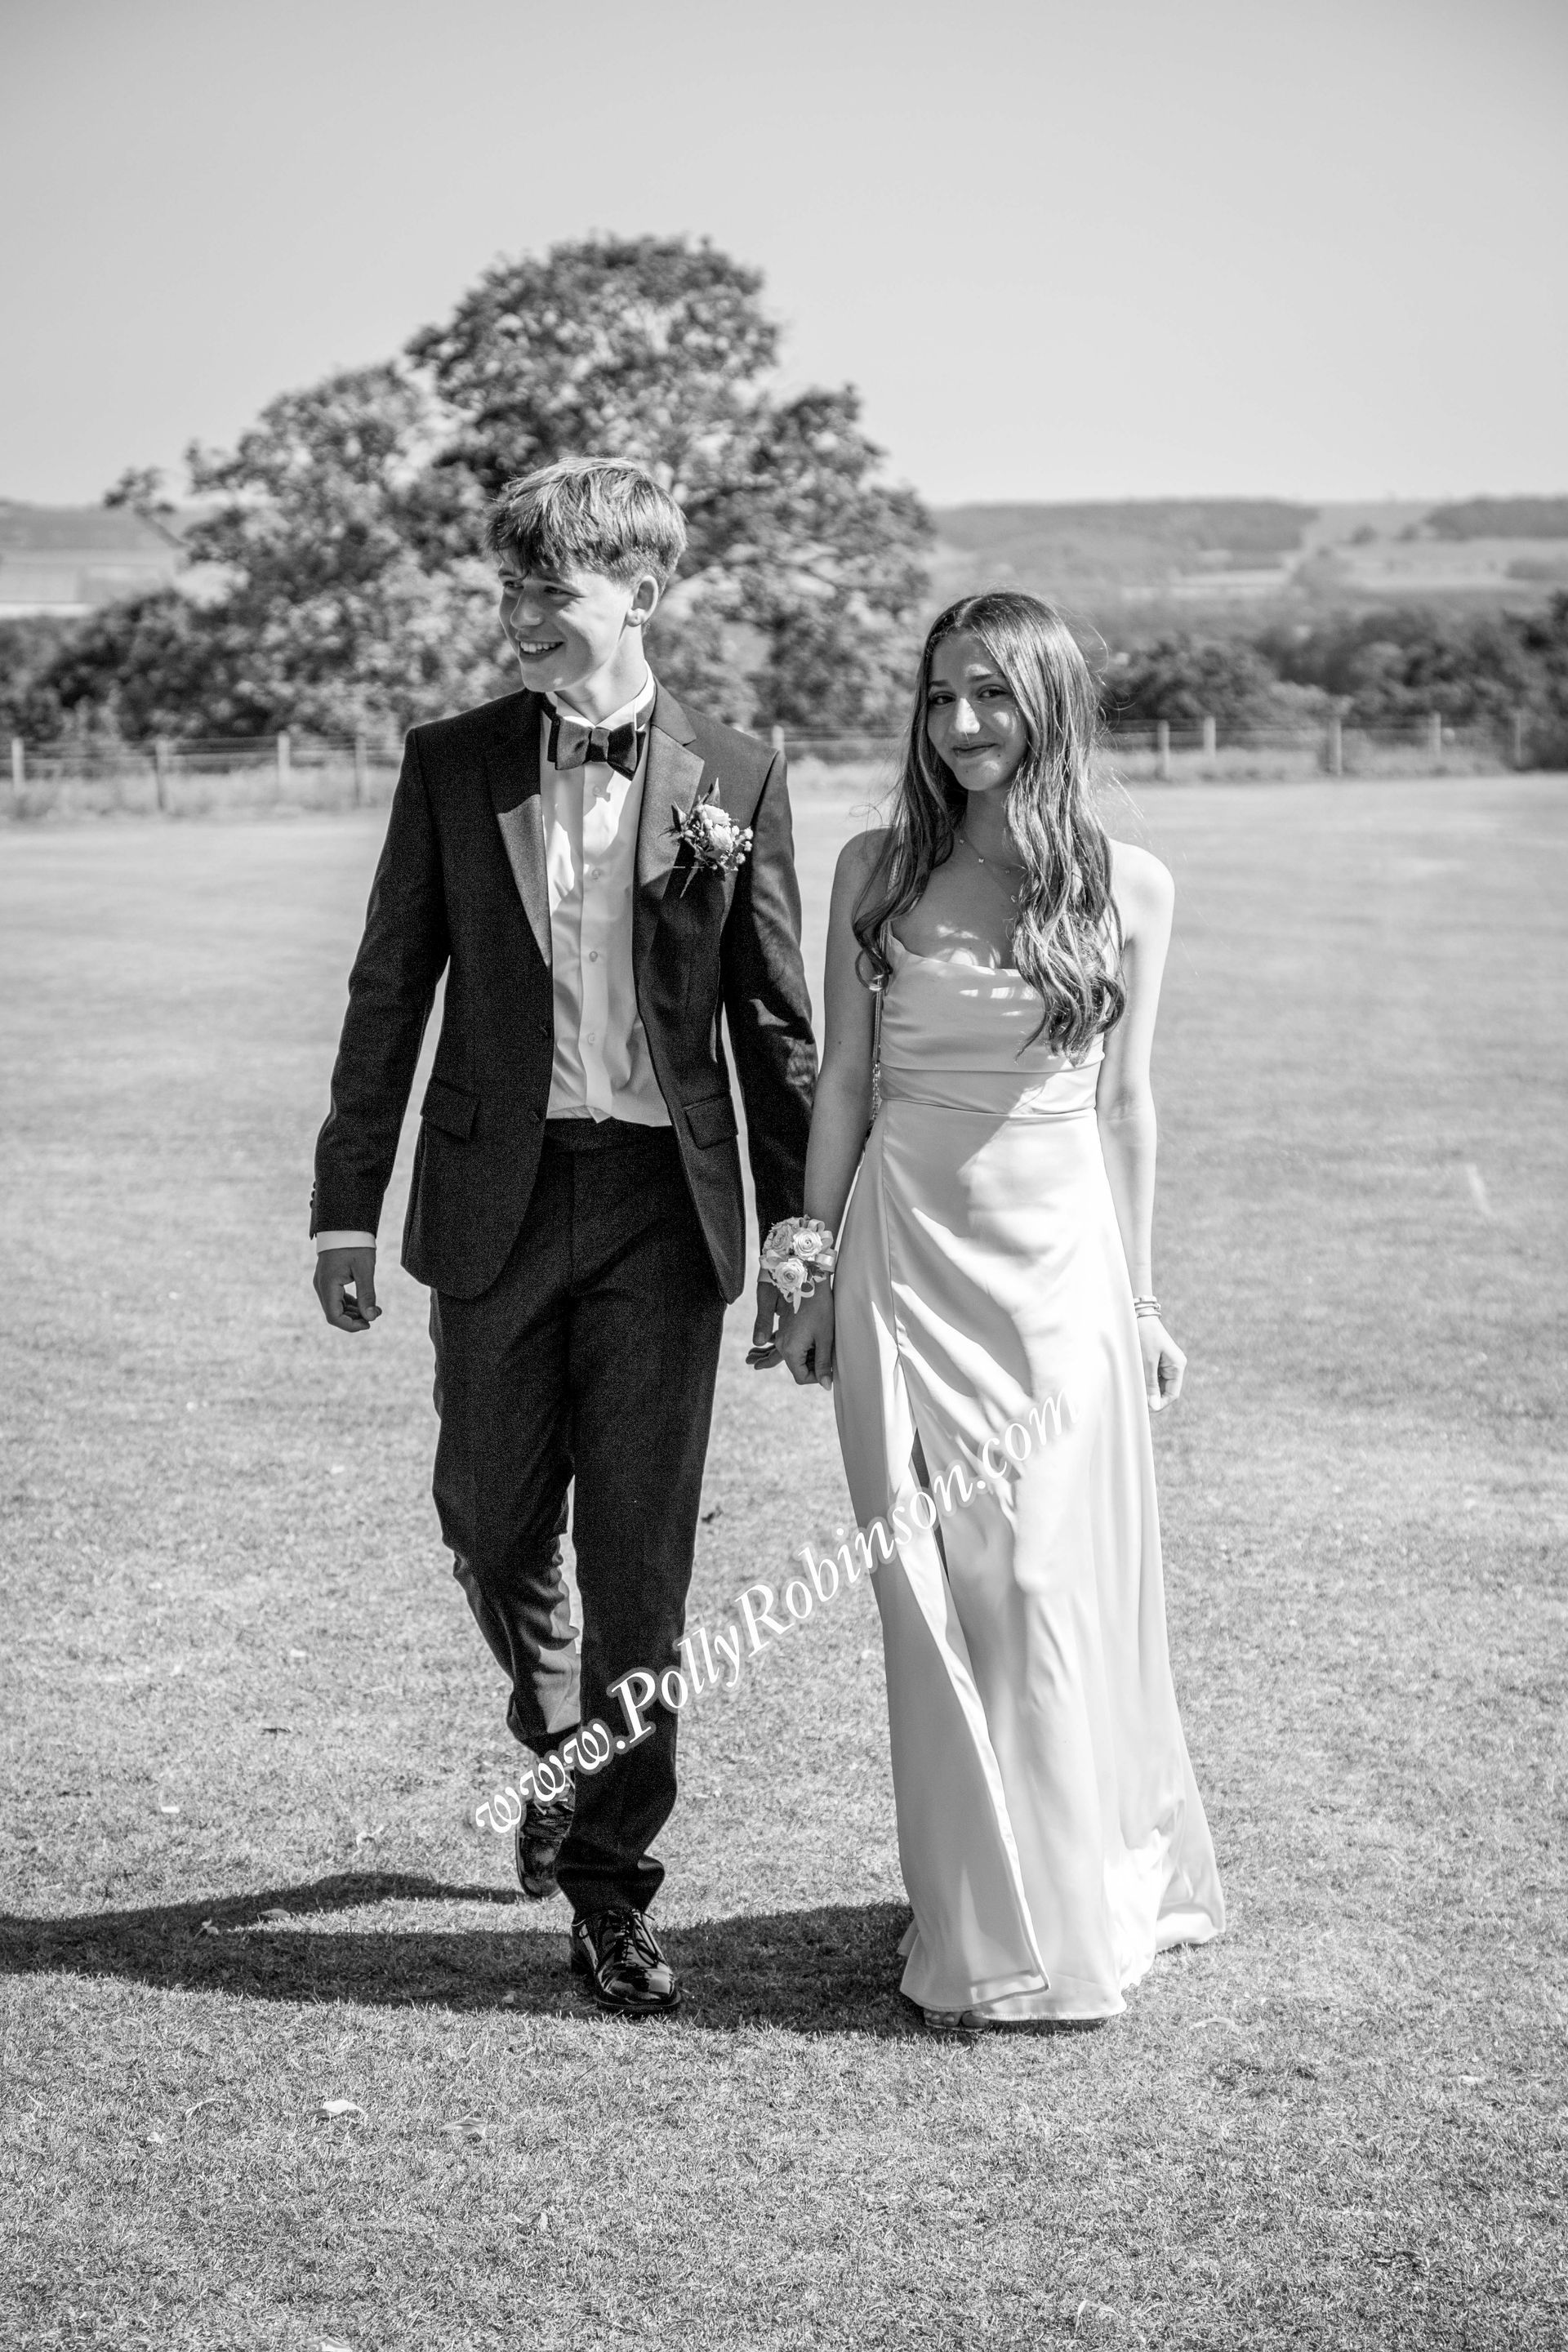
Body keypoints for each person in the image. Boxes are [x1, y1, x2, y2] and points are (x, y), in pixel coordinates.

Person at [310, 459, 816, 2018]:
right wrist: (345, 1203)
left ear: (640, 594)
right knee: (486, 1515)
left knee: (642, 1570)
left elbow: (775, 1025)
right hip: (496, 1200)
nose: (520, 617)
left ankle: (611, 1890)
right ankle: (557, 1729)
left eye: (552, 590)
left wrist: (802, 1236)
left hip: (666, 1210)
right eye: (509, 590)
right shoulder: (452, 762)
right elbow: (390, 987)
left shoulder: (740, 771)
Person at [776, 590, 1224, 2028]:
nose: (961, 723)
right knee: (932, 1596)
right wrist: (808, 1267)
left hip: (1062, 1280)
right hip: (904, 1261)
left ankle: (1077, 1896)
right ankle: (976, 1919)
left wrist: (1140, 1302)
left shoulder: (1128, 885)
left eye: (990, 695)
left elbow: (1129, 1108)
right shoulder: (876, 870)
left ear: (1049, 706)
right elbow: (844, 1083)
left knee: (1036, 1584)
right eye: (939, 696)